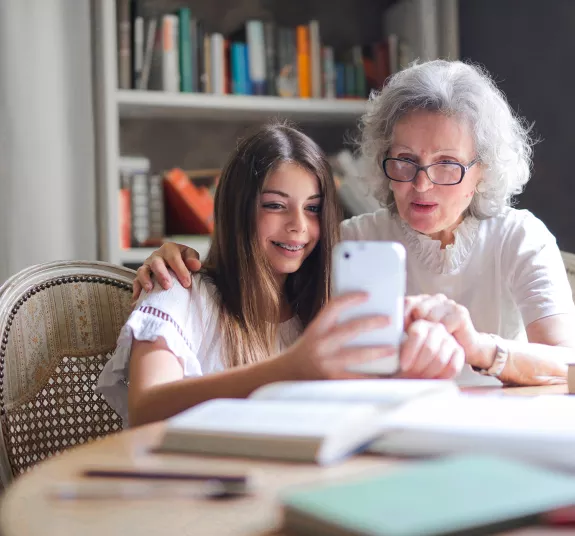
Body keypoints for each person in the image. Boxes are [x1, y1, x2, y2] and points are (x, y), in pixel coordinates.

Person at [137, 60, 575, 387]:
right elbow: (256, 271)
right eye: (405, 161)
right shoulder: (350, 241)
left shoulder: (520, 236)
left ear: (483, 170)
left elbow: (567, 366)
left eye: (446, 165)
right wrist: (174, 257)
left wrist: (479, 347)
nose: (421, 185)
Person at [98, 124, 464, 427]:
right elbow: (146, 409)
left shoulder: (323, 309)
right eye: (275, 206)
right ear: (237, 210)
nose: (298, 227)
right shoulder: (178, 291)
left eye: (313, 209)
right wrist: (289, 369)